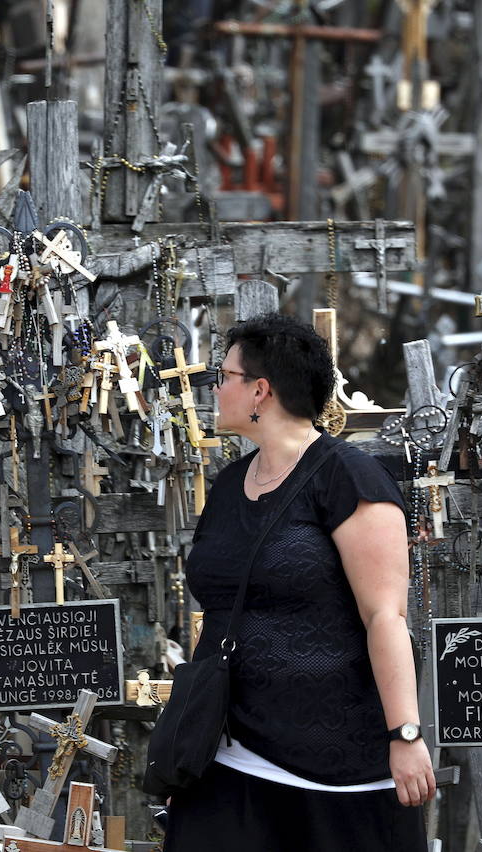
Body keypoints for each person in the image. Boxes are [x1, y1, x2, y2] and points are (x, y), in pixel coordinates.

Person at [161, 313, 434, 851]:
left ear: (260, 390)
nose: (215, 388)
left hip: (333, 763)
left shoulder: (349, 478)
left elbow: (386, 615)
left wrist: (404, 734)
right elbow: (221, 610)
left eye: (225, 376)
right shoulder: (231, 483)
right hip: (228, 755)